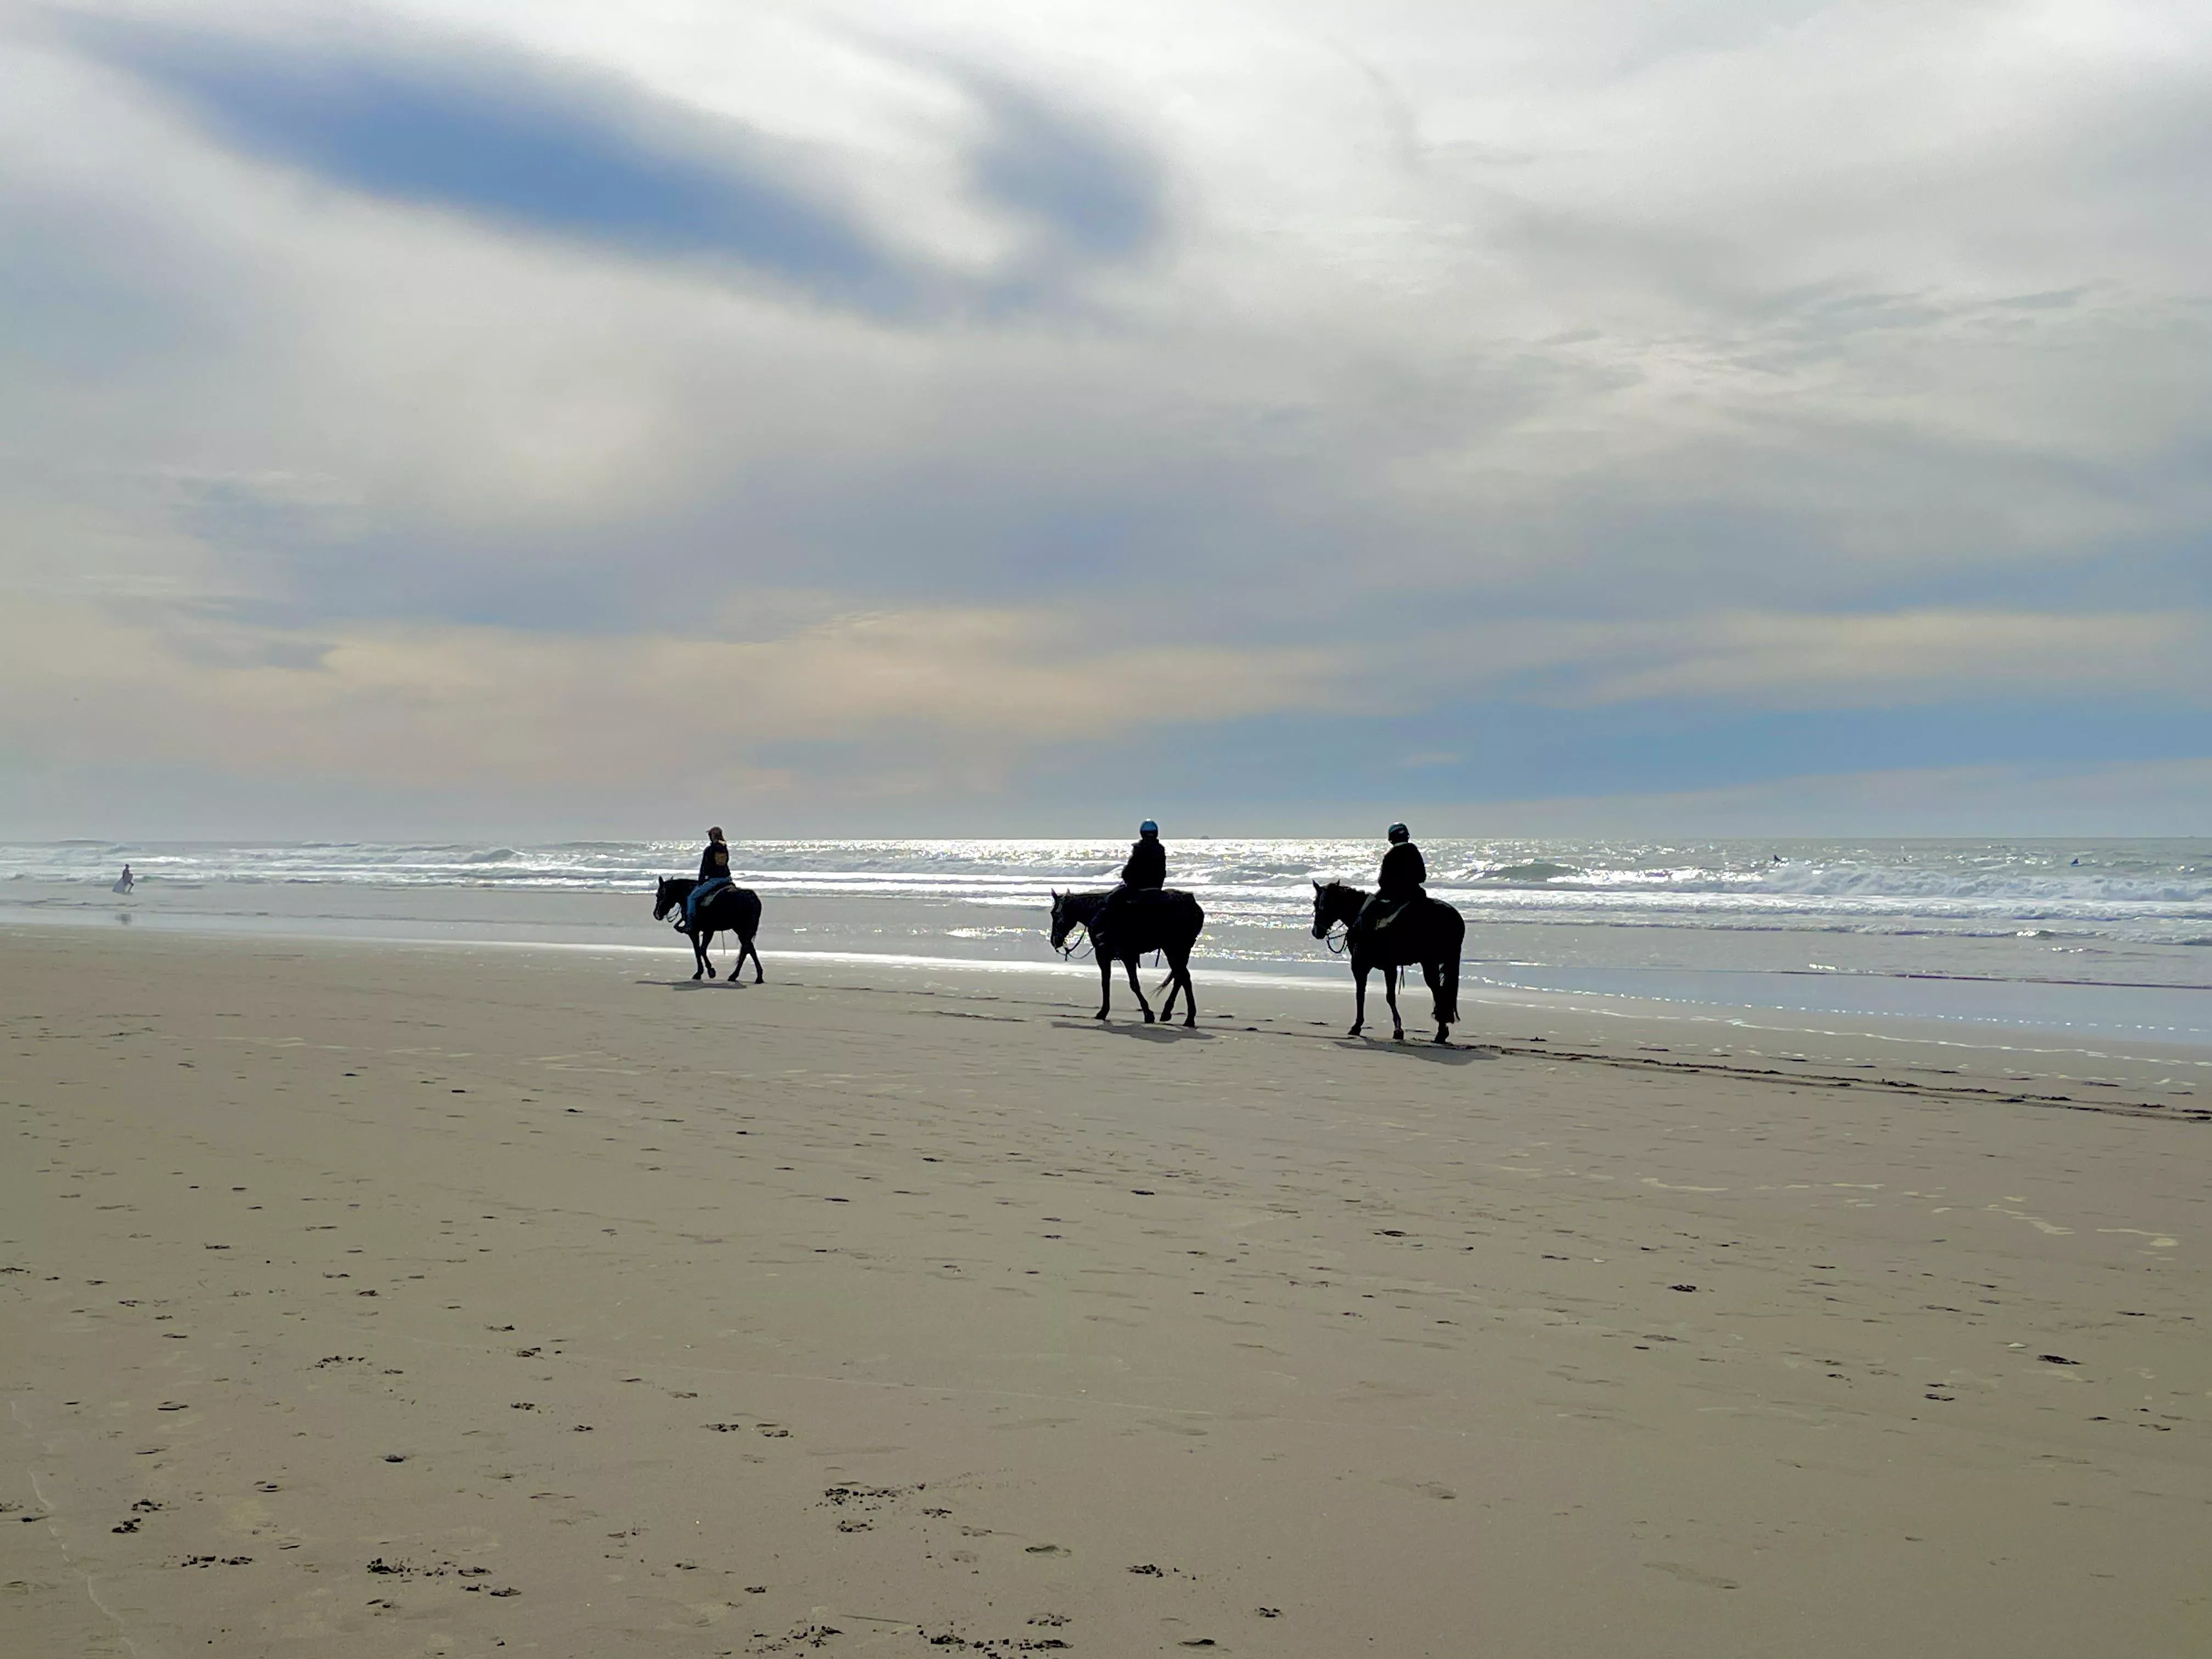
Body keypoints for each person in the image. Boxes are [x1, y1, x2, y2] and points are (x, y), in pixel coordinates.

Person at [1355, 823, 1426, 940]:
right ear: (1407, 836)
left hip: (1394, 896)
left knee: (1367, 910)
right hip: (1416, 894)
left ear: (1391, 839)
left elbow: (1382, 882)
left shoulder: (1390, 856)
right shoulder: (1414, 851)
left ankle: (1368, 943)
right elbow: (1422, 877)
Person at [1101, 819, 1165, 948]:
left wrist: (1126, 876)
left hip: (1139, 889)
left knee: (1112, 899)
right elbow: (1162, 871)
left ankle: (1110, 935)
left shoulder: (1140, 849)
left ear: (1142, 833)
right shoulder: (1160, 849)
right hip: (1156, 888)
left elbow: (1132, 868)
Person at [682, 827, 732, 928]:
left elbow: (705, 867)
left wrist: (702, 880)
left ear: (712, 836)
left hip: (715, 880)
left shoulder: (710, 850)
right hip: (727, 879)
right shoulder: (724, 848)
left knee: (692, 898)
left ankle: (690, 923)